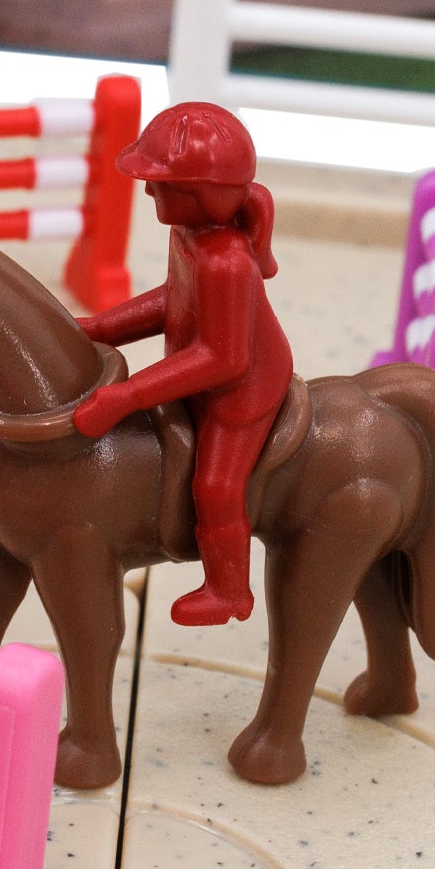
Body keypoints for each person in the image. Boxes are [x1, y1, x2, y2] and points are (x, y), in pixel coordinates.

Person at [72, 104, 294, 627]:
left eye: (162, 184)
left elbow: (224, 357)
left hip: (242, 390)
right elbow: (175, 299)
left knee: (215, 486)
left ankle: (229, 589)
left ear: (202, 194)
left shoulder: (227, 263)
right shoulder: (190, 238)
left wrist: (127, 394)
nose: (149, 193)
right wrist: (103, 327)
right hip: (207, 371)